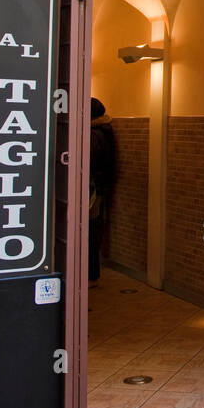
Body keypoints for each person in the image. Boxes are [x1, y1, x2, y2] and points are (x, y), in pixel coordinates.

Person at [88, 97, 117, 284]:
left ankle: (89, 271)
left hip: (93, 187)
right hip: (100, 186)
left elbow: (90, 160)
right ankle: (92, 271)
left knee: (90, 228)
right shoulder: (105, 131)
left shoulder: (93, 134)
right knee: (94, 228)